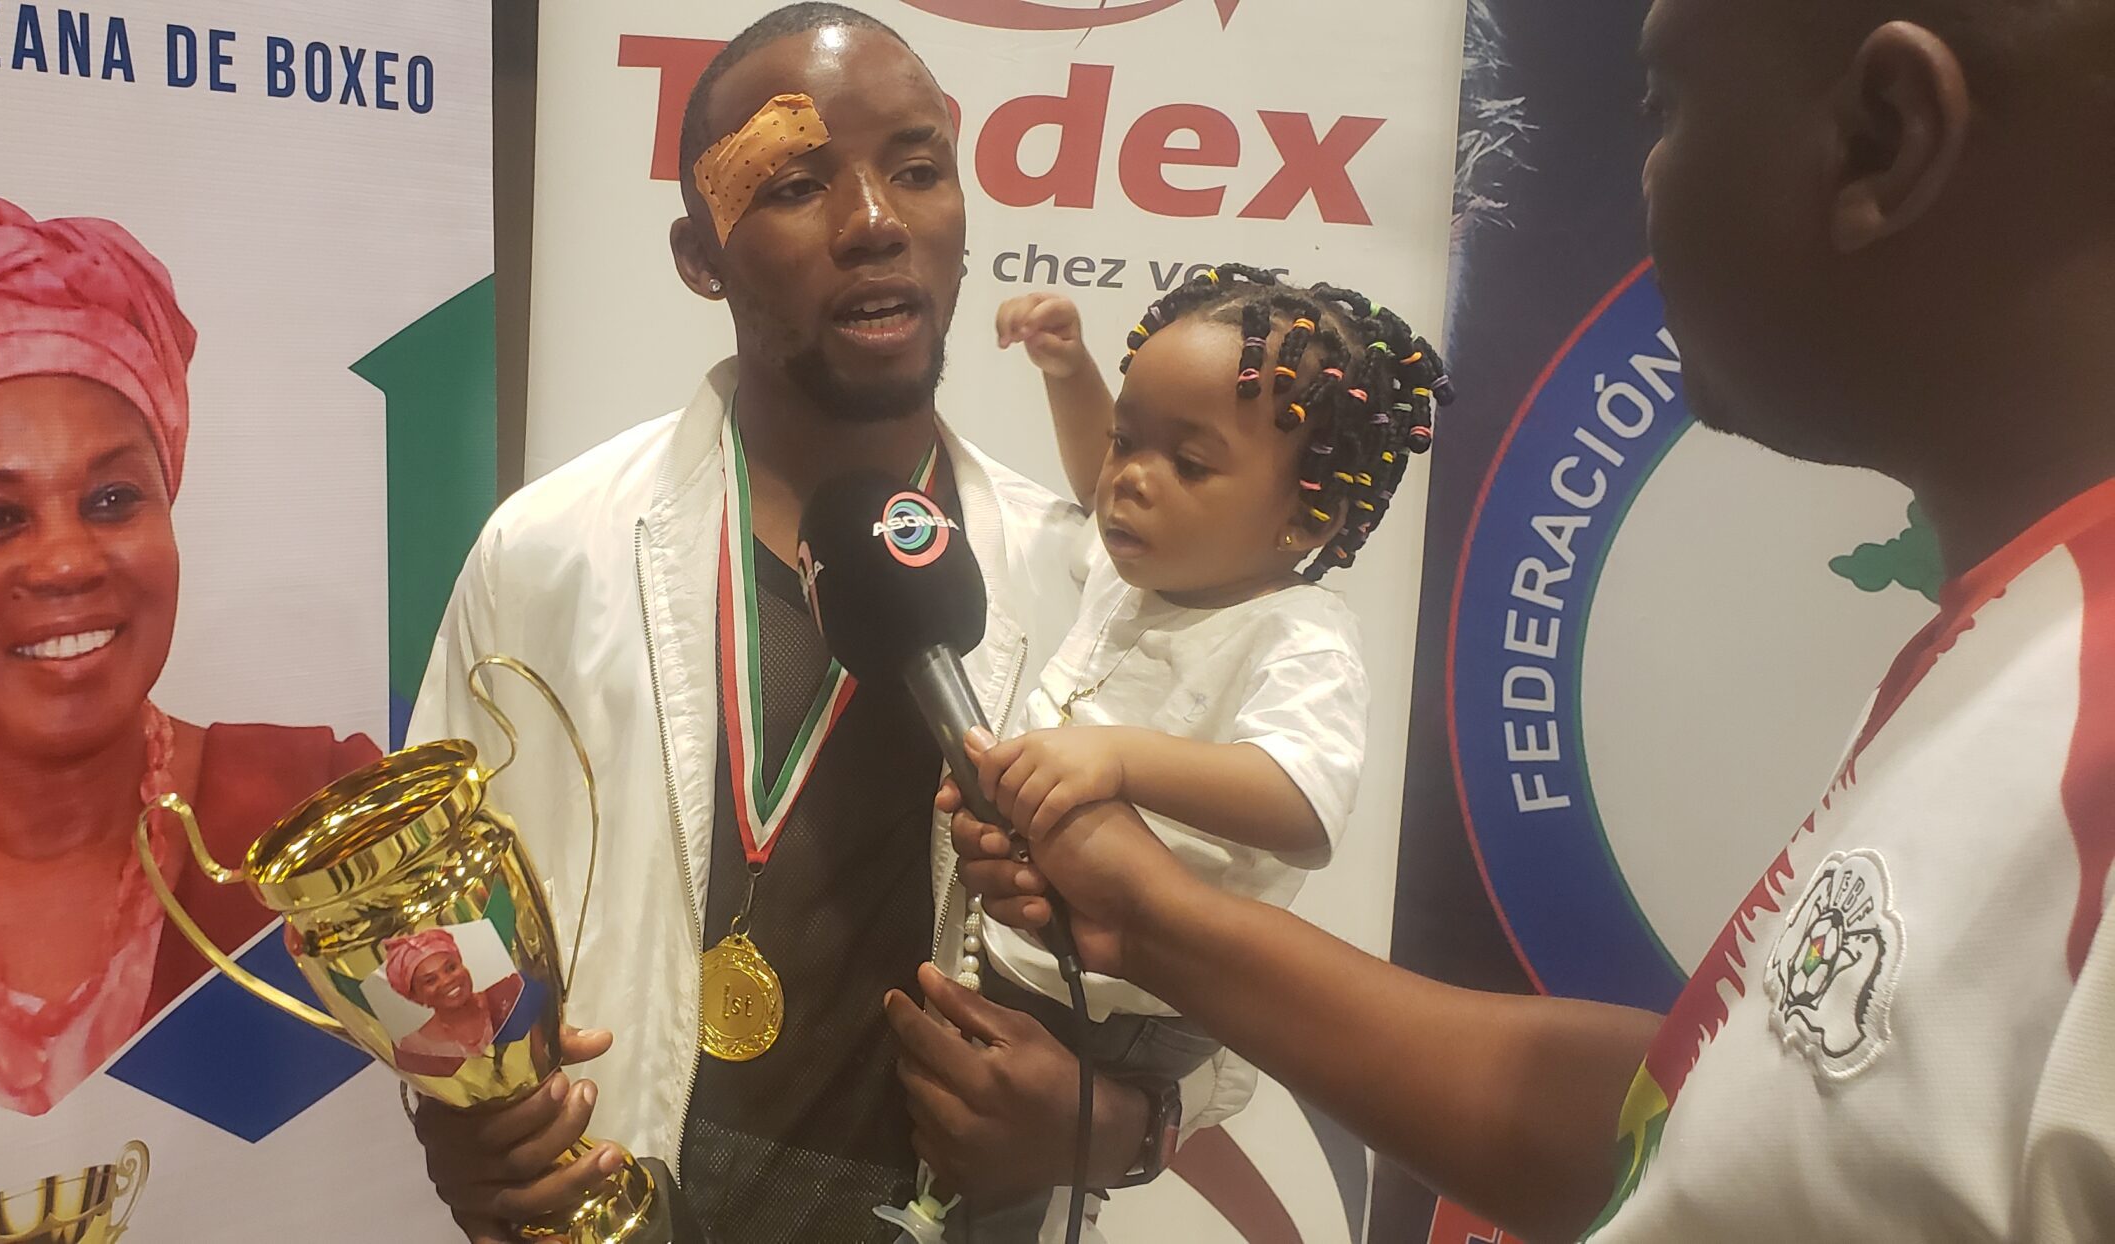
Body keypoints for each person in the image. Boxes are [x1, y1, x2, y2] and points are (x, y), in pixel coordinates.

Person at [950, 0, 2115, 1240]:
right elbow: (1708, 1115)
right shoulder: (2002, 653)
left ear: (1884, 138)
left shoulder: (2081, 743)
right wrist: (1145, 912)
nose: (1646, 177)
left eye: (1664, 107)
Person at [395, 7, 1255, 1242]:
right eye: (797, 184)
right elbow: (431, 908)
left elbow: (1235, 952)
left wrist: (1117, 1124)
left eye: (917, 169)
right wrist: (461, 1109)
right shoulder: (552, 550)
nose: (874, 222)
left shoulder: (1086, 585)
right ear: (700, 256)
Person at [0, 150, 380, 1116]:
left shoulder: (323, 817)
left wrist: (498, 1145)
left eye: (114, 499)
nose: (67, 562)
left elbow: (473, 1086)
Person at [959, 270, 1446, 1241]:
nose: (1130, 479)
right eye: (1125, 440)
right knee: (952, 1141)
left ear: (1304, 517)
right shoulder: (1136, 571)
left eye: (1187, 462)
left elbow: (1302, 802)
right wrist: (1070, 371)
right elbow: (1093, 482)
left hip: (1130, 1003)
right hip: (1030, 949)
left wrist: (1119, 760)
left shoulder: (1296, 634)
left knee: (1003, 1182)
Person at [384, 929, 530, 1075]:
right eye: (430, 981)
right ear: (415, 997)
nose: (447, 981)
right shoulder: (414, 1050)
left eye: (451, 968)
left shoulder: (510, 995)